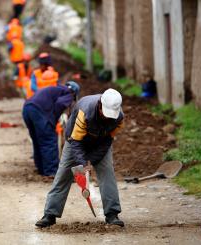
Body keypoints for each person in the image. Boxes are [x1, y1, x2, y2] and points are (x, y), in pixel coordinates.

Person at [35, 88, 125, 228]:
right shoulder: (85, 111)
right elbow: (76, 142)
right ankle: (50, 215)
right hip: (75, 142)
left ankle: (112, 214)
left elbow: (108, 141)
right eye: (105, 113)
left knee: (107, 173)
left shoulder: (119, 118)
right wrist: (82, 164)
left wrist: (92, 160)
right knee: (63, 174)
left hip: (100, 143)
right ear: (100, 105)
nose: (108, 117)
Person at [22, 81, 80, 177]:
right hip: (39, 111)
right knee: (49, 141)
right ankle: (51, 171)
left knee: (38, 140)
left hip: (27, 109)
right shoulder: (69, 94)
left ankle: (41, 168)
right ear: (74, 93)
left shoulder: (56, 89)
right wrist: (53, 118)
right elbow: (60, 104)